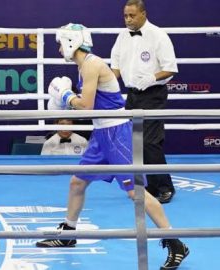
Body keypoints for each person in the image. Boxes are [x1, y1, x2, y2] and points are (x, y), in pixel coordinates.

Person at [36, 23, 189, 270]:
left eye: (60, 42)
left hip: (116, 134)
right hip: (101, 134)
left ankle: (175, 242)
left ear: (71, 42)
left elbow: (85, 105)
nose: (58, 48)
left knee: (135, 193)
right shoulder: (84, 65)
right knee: (77, 182)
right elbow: (90, 106)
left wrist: (65, 95)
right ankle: (67, 233)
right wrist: (66, 100)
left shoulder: (91, 65)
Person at [110, 0, 176, 204]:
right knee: (133, 142)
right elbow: (115, 68)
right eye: (125, 16)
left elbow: (171, 68)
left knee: (149, 141)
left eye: (132, 15)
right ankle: (146, 185)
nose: (128, 19)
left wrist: (152, 78)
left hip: (153, 93)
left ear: (143, 14)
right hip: (132, 95)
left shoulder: (158, 35)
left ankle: (165, 187)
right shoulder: (122, 36)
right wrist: (105, 86)